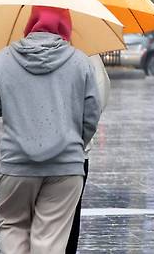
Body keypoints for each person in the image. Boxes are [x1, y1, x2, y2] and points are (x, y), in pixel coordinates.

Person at [0, 5, 101, 254]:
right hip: (66, 167)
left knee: (12, 225)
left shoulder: (3, 59)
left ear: (30, 23)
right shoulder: (81, 62)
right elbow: (91, 116)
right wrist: (73, 143)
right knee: (50, 241)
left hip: (16, 165)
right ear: (65, 26)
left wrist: (15, 102)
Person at [66, 55, 110, 254]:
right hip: (74, 154)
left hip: (24, 156)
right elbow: (98, 100)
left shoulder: (13, 51)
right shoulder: (89, 55)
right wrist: (79, 140)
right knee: (68, 222)